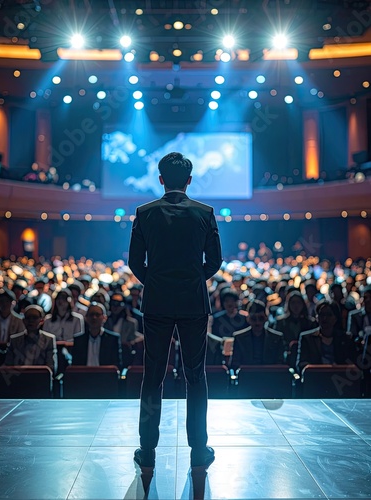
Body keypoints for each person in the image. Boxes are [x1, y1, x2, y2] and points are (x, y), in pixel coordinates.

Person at [128, 152, 222, 470]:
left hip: (157, 302)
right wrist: (192, 281)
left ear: (161, 179)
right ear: (189, 180)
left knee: (153, 376)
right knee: (196, 376)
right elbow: (215, 261)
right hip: (194, 302)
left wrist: (156, 282)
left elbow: (133, 262)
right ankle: (199, 449)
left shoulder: (144, 212)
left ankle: (148, 450)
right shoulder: (205, 212)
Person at [296, 300, 356, 373]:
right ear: (317, 317)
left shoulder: (346, 338)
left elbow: (351, 363)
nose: (325, 318)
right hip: (316, 378)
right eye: (321, 314)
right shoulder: (307, 338)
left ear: (335, 318)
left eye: (329, 315)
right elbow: (301, 364)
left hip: (339, 377)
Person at [4, 305, 57, 374]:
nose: (31, 321)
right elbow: (8, 366)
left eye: (34, 318)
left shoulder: (49, 340)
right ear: (23, 320)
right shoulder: (14, 340)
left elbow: (51, 367)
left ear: (41, 321)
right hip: (18, 380)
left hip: (41, 380)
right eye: (28, 318)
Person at [231, 300, 285, 367]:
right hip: (247, 376)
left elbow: (280, 364)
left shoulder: (277, 338)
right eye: (253, 319)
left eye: (261, 318)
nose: (257, 322)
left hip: (270, 375)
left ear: (266, 318)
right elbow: (235, 364)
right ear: (248, 319)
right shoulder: (239, 338)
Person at [71, 302, 122, 367]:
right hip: (84, 375)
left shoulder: (112, 339)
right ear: (86, 318)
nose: (94, 317)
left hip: (104, 375)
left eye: (97, 315)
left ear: (104, 318)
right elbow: (75, 366)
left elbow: (117, 365)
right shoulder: (79, 340)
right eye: (91, 315)